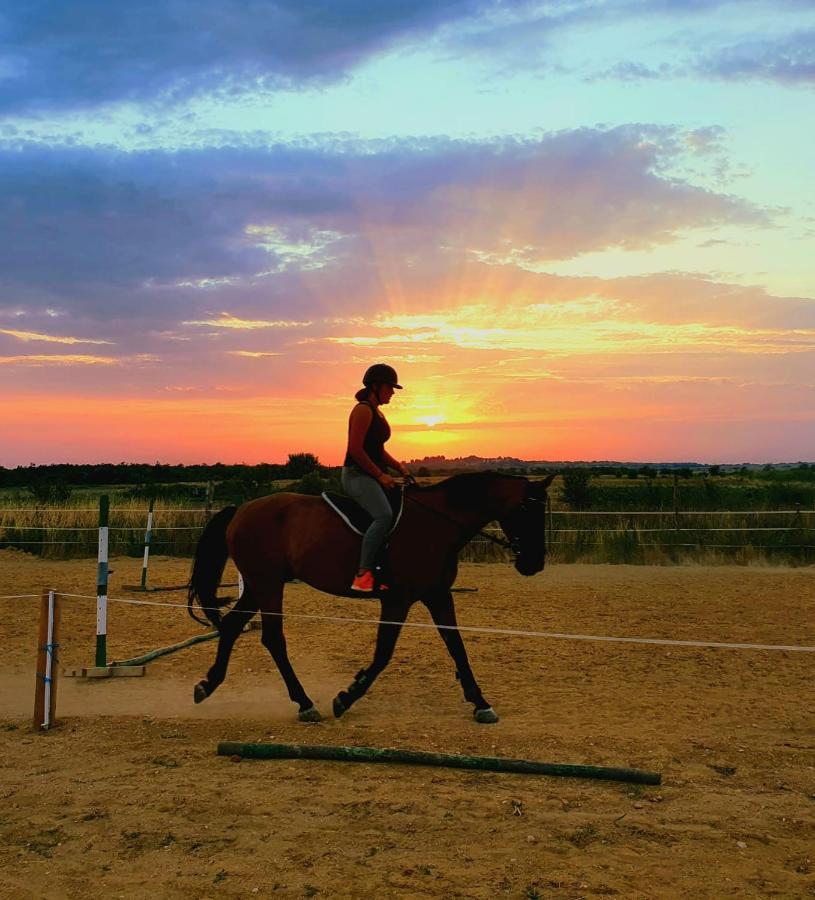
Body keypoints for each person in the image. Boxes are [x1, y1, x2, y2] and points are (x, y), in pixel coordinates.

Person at [342, 363, 412, 593]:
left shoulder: (378, 412)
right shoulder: (362, 410)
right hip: (356, 476)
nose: (392, 392)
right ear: (375, 386)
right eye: (390, 387)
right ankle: (362, 574)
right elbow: (356, 450)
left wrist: (398, 466)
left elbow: (377, 449)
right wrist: (381, 475)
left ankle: (385, 568)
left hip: (371, 475)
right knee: (383, 516)